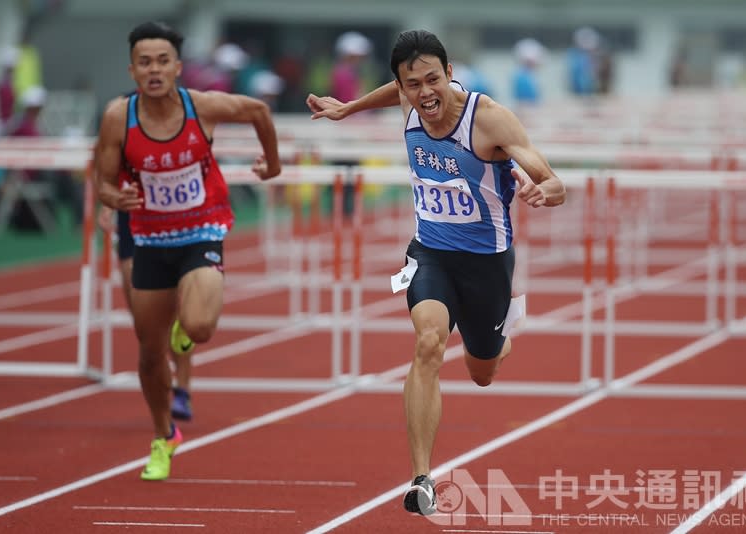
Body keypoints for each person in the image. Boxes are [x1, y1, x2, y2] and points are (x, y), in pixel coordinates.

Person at [306, 29, 566, 516]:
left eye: (433, 80)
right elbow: (394, 92)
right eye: (411, 85)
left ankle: (501, 332)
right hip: (429, 254)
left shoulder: (488, 120)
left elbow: (547, 175)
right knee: (428, 343)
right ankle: (421, 478)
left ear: (450, 73)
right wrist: (347, 108)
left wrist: (545, 187)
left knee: (482, 369)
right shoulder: (408, 104)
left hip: (487, 265)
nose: (424, 94)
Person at [93, 21, 281, 481]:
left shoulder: (203, 107)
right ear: (132, 69)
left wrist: (272, 163)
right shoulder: (119, 116)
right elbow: (101, 178)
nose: (153, 70)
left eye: (162, 61)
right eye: (144, 62)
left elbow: (257, 110)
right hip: (150, 239)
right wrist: (112, 198)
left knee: (198, 326)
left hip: (202, 228)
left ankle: (186, 328)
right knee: (148, 353)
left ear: (177, 67)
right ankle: (164, 436)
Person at [97, 203, 196, 422]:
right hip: (134, 213)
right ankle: (163, 390)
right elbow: (111, 171)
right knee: (146, 323)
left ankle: (182, 389)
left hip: (174, 214)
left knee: (174, 315)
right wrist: (107, 205)